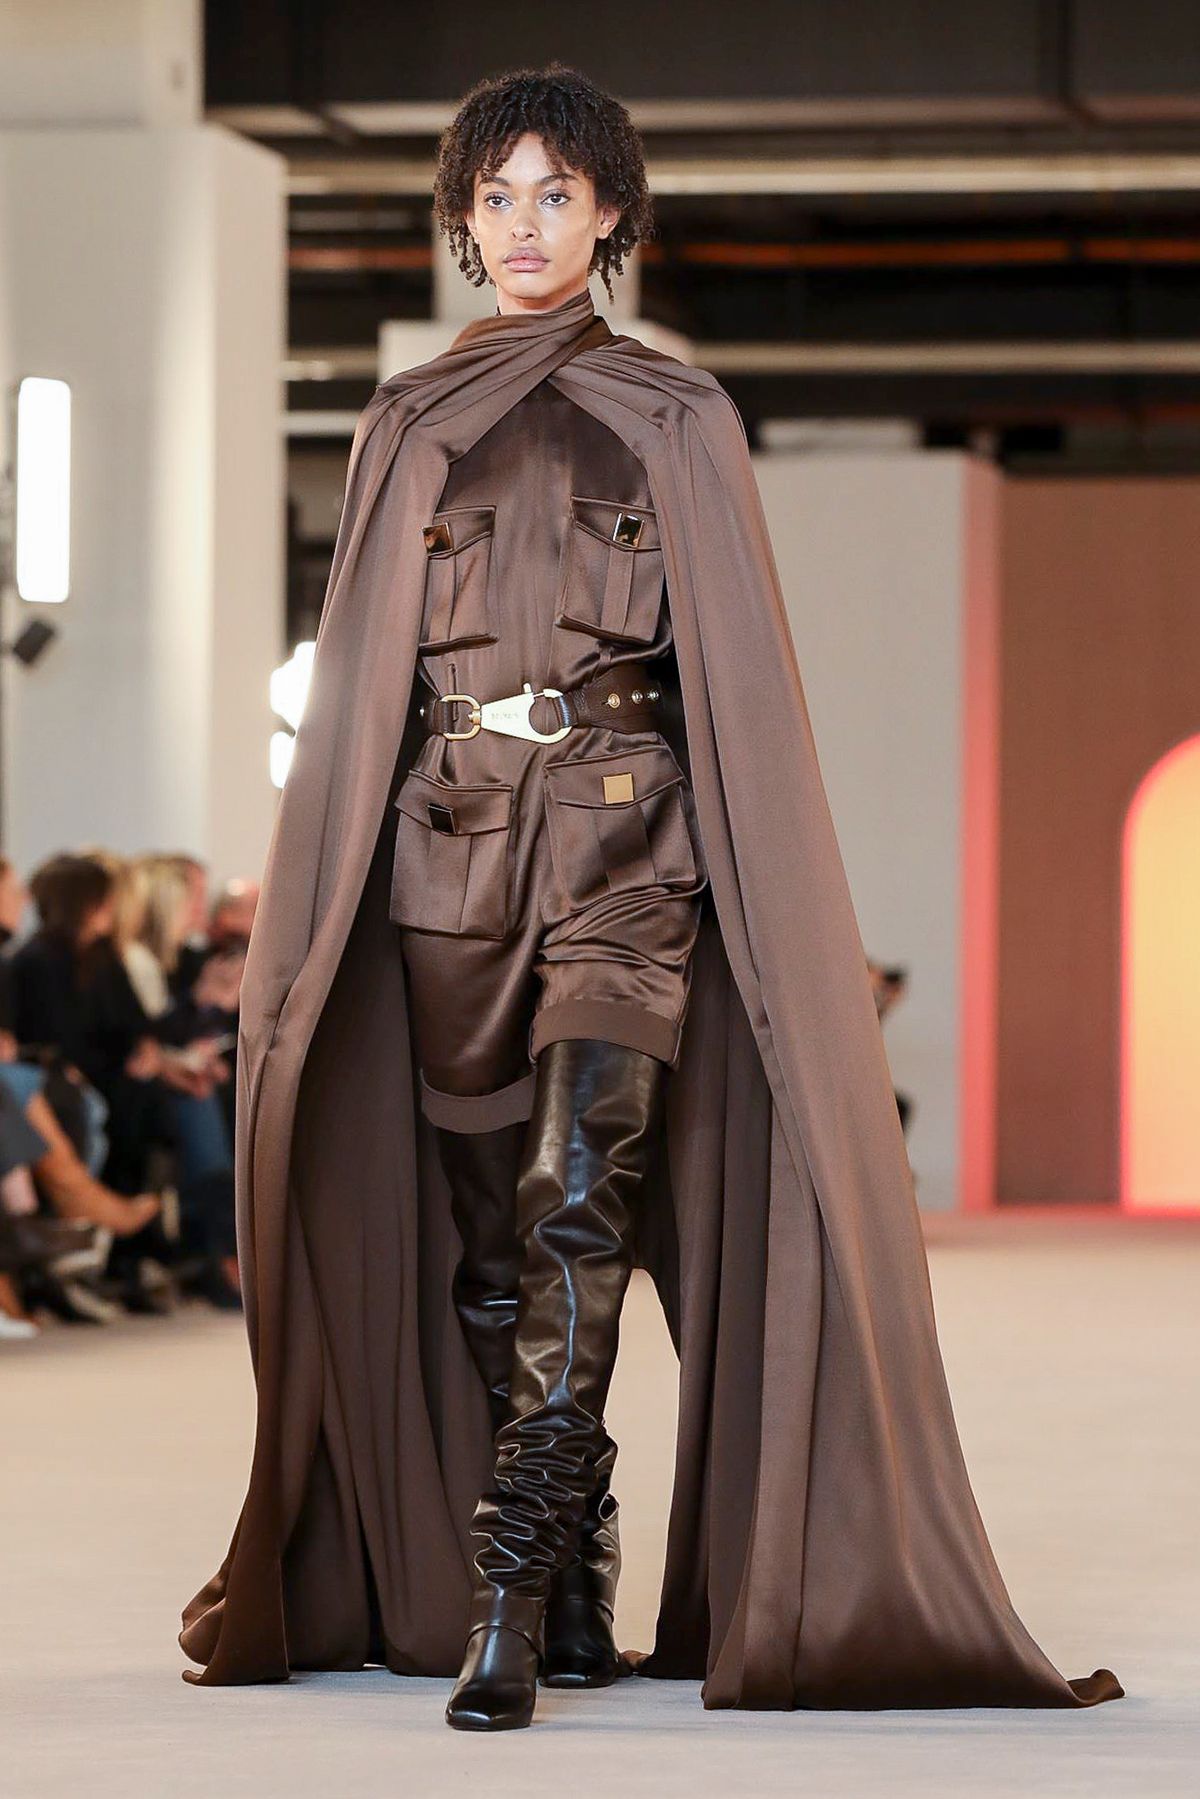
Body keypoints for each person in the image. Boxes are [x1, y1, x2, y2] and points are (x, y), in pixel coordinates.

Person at [180, 65, 1121, 1728]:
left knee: (575, 1203)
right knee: (492, 1245)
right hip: (447, 852)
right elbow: (358, 691)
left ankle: (506, 1593)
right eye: (497, 197)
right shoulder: (407, 425)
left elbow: (735, 680)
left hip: (631, 846)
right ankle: (573, 1570)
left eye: (557, 194)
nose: (524, 224)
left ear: (611, 212)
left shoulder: (676, 415)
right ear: (465, 219)